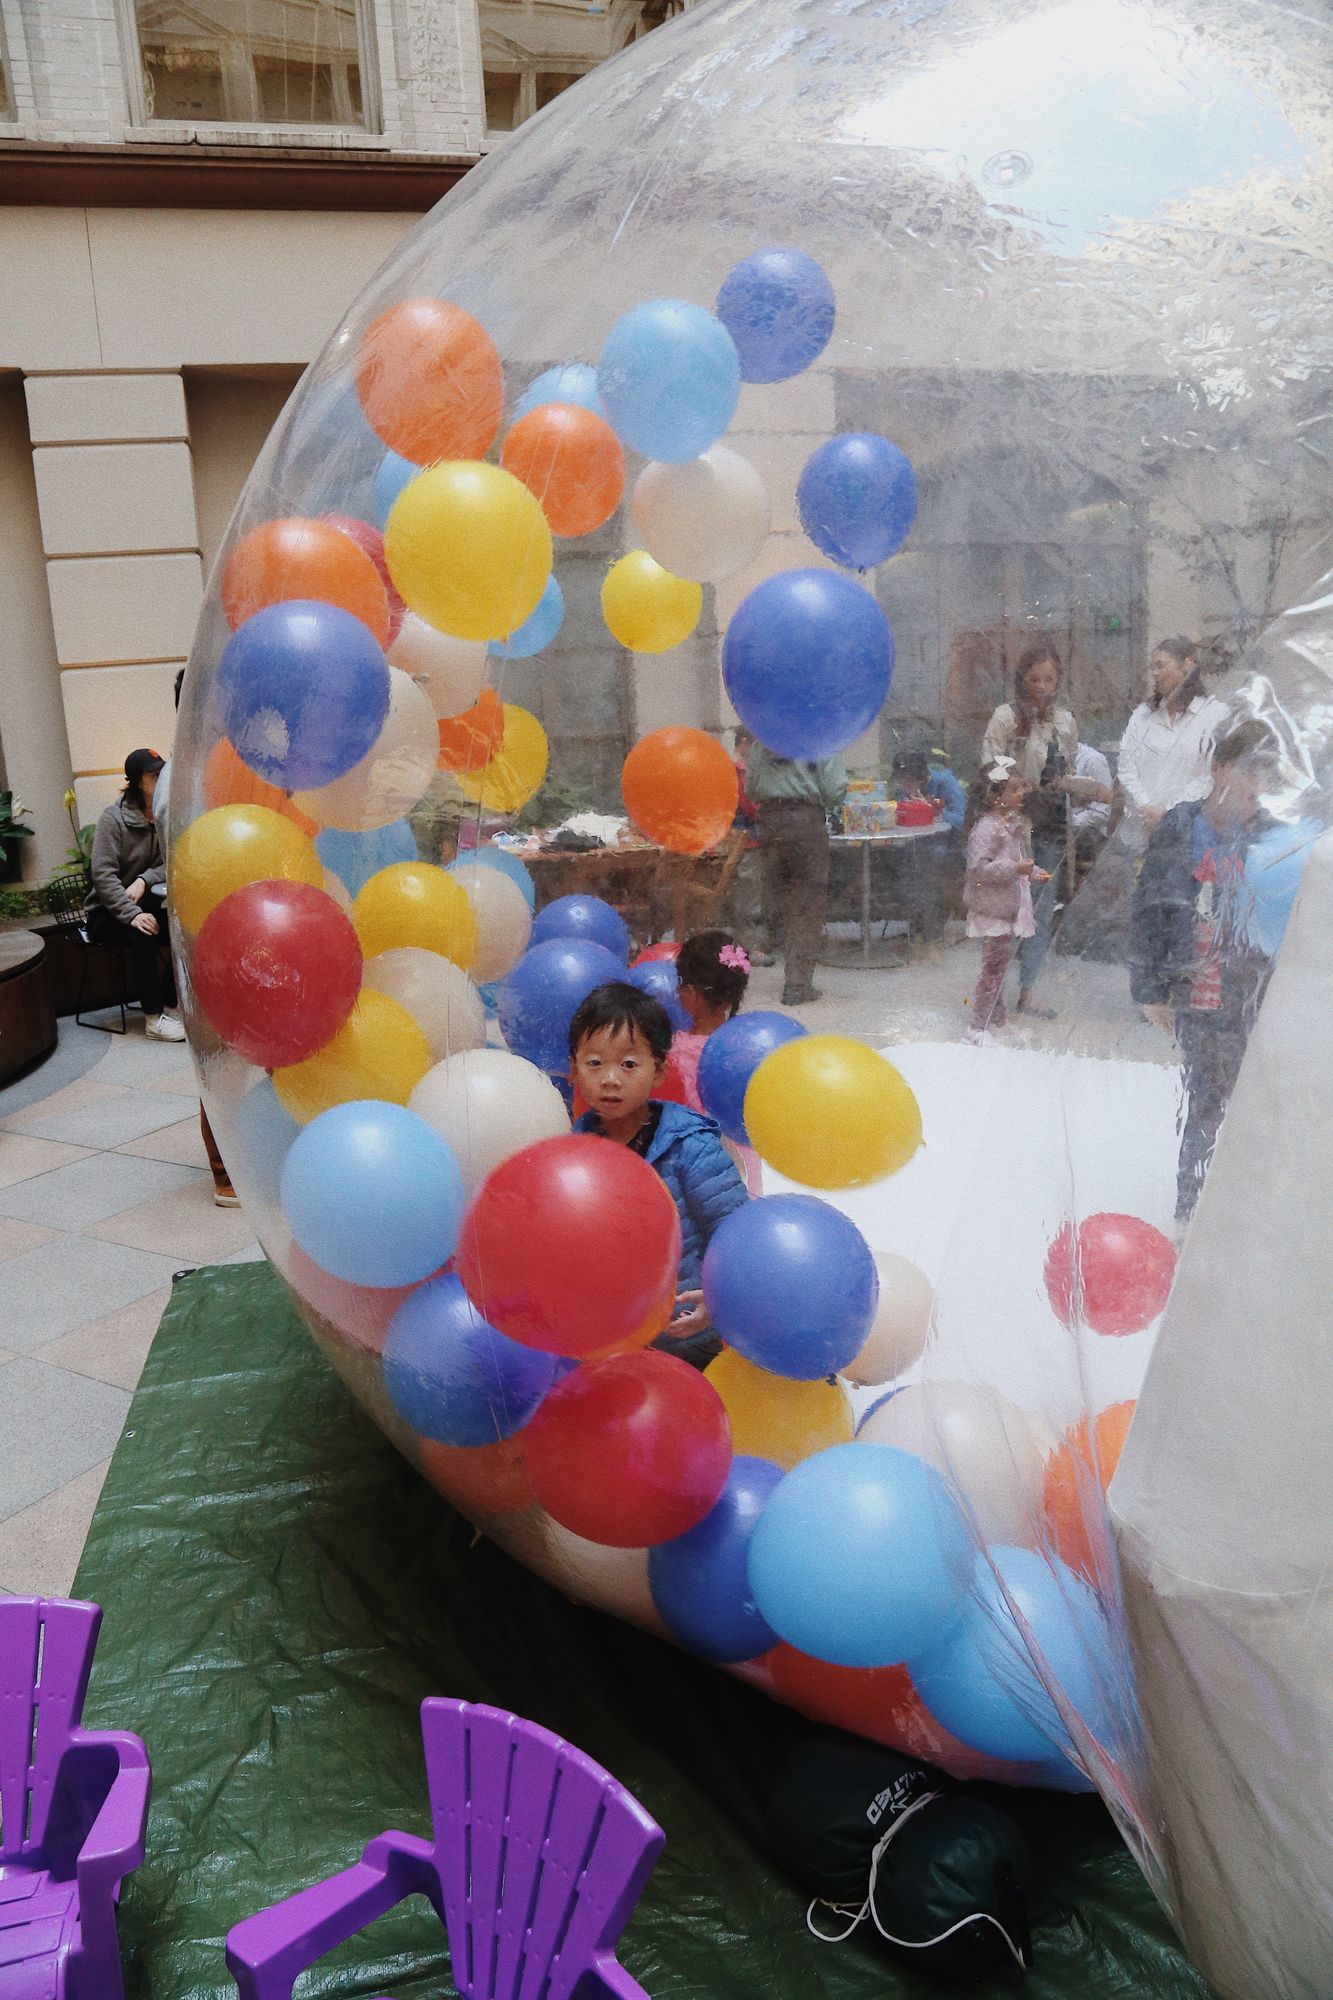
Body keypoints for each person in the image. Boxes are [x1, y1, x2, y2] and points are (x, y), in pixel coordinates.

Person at [1129, 721, 1292, 1227]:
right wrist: (1150, 987)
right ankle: (1192, 1203)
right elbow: (1148, 907)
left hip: (1252, 986)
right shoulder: (1179, 828)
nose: (1252, 791)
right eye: (1245, 774)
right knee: (1206, 1093)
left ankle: (1248, 1195)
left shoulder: (1272, 837)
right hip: (1197, 985)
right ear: (1217, 769)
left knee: (1255, 1093)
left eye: (1263, 779)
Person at [569, 982, 748, 1367]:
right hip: (611, 1343)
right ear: (574, 1068)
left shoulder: (689, 1144)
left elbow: (735, 1233)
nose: (610, 1078)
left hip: (687, 1337)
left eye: (628, 1064)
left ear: (658, 1070)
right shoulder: (574, 1154)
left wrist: (717, 1300)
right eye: (595, 1063)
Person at [156, 671, 240, 1206]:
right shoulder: (184, 775)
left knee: (244, 1046)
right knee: (217, 1053)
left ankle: (242, 1156)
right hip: (203, 927)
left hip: (235, 922)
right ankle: (225, 1171)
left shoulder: (221, 763)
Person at [981, 644, 1078, 1016]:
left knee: (1040, 909)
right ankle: (994, 991)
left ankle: (1028, 990)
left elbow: (1068, 770)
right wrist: (1017, 785)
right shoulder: (1006, 717)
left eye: (1049, 679)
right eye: (1034, 679)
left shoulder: (1065, 722)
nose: (1042, 686)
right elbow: (990, 767)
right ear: (1022, 679)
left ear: (1058, 680)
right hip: (1013, 827)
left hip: (1051, 827)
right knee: (1006, 909)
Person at [85, 749, 184, 1042]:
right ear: (137, 781)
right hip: (105, 912)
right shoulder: (113, 818)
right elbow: (103, 875)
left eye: (163, 773)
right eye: (154, 775)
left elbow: (172, 860)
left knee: (183, 927)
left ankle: (170, 1003)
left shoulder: (165, 814)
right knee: (145, 931)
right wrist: (132, 915)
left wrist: (143, 880)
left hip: (143, 901)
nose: (162, 779)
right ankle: (153, 1019)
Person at [745, 741, 848, 1006]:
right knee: (807, 905)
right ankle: (797, 984)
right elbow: (834, 791)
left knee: (777, 899)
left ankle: (781, 958)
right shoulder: (820, 739)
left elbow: (751, 789)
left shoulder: (761, 740)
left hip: (769, 822)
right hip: (805, 822)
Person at [961, 758, 1049, 1043]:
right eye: (1014, 789)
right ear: (994, 797)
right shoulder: (987, 828)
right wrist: (1016, 869)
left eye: (1022, 787)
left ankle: (997, 1021)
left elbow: (1013, 859)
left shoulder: (1007, 824)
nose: (1022, 793)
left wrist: (1032, 871)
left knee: (998, 968)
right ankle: (976, 1027)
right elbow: (977, 869)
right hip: (992, 910)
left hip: (1004, 906)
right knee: (993, 970)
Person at [668, 929, 762, 1194]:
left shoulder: (676, 1054)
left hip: (698, 1170)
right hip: (744, 1164)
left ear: (692, 993)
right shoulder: (747, 1048)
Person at [1116, 636, 1230, 851]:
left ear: (1187, 665)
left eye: (1161, 665)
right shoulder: (1143, 715)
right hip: (1138, 833)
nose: (1155, 673)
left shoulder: (1213, 714)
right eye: (1152, 667)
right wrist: (1145, 807)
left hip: (1185, 836)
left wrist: (1167, 814)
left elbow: (1209, 775)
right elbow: (1126, 766)